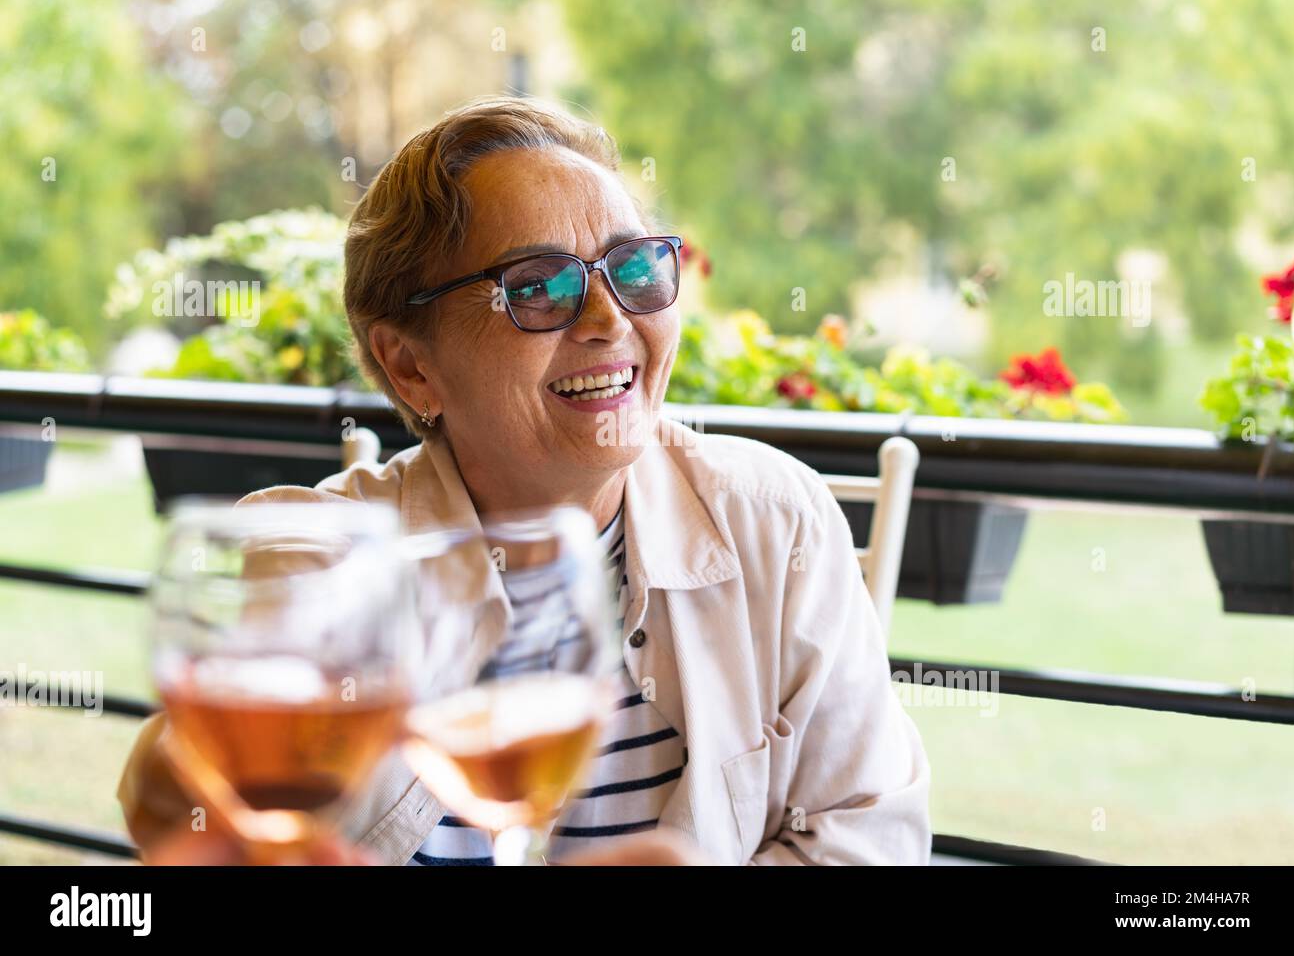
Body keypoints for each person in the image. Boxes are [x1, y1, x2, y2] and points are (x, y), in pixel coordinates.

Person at [119, 95, 931, 865]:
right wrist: (186, 788)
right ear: (411, 366)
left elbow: (870, 836)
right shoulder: (319, 557)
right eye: (539, 287)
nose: (611, 319)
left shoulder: (773, 519)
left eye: (635, 267)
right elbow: (171, 799)